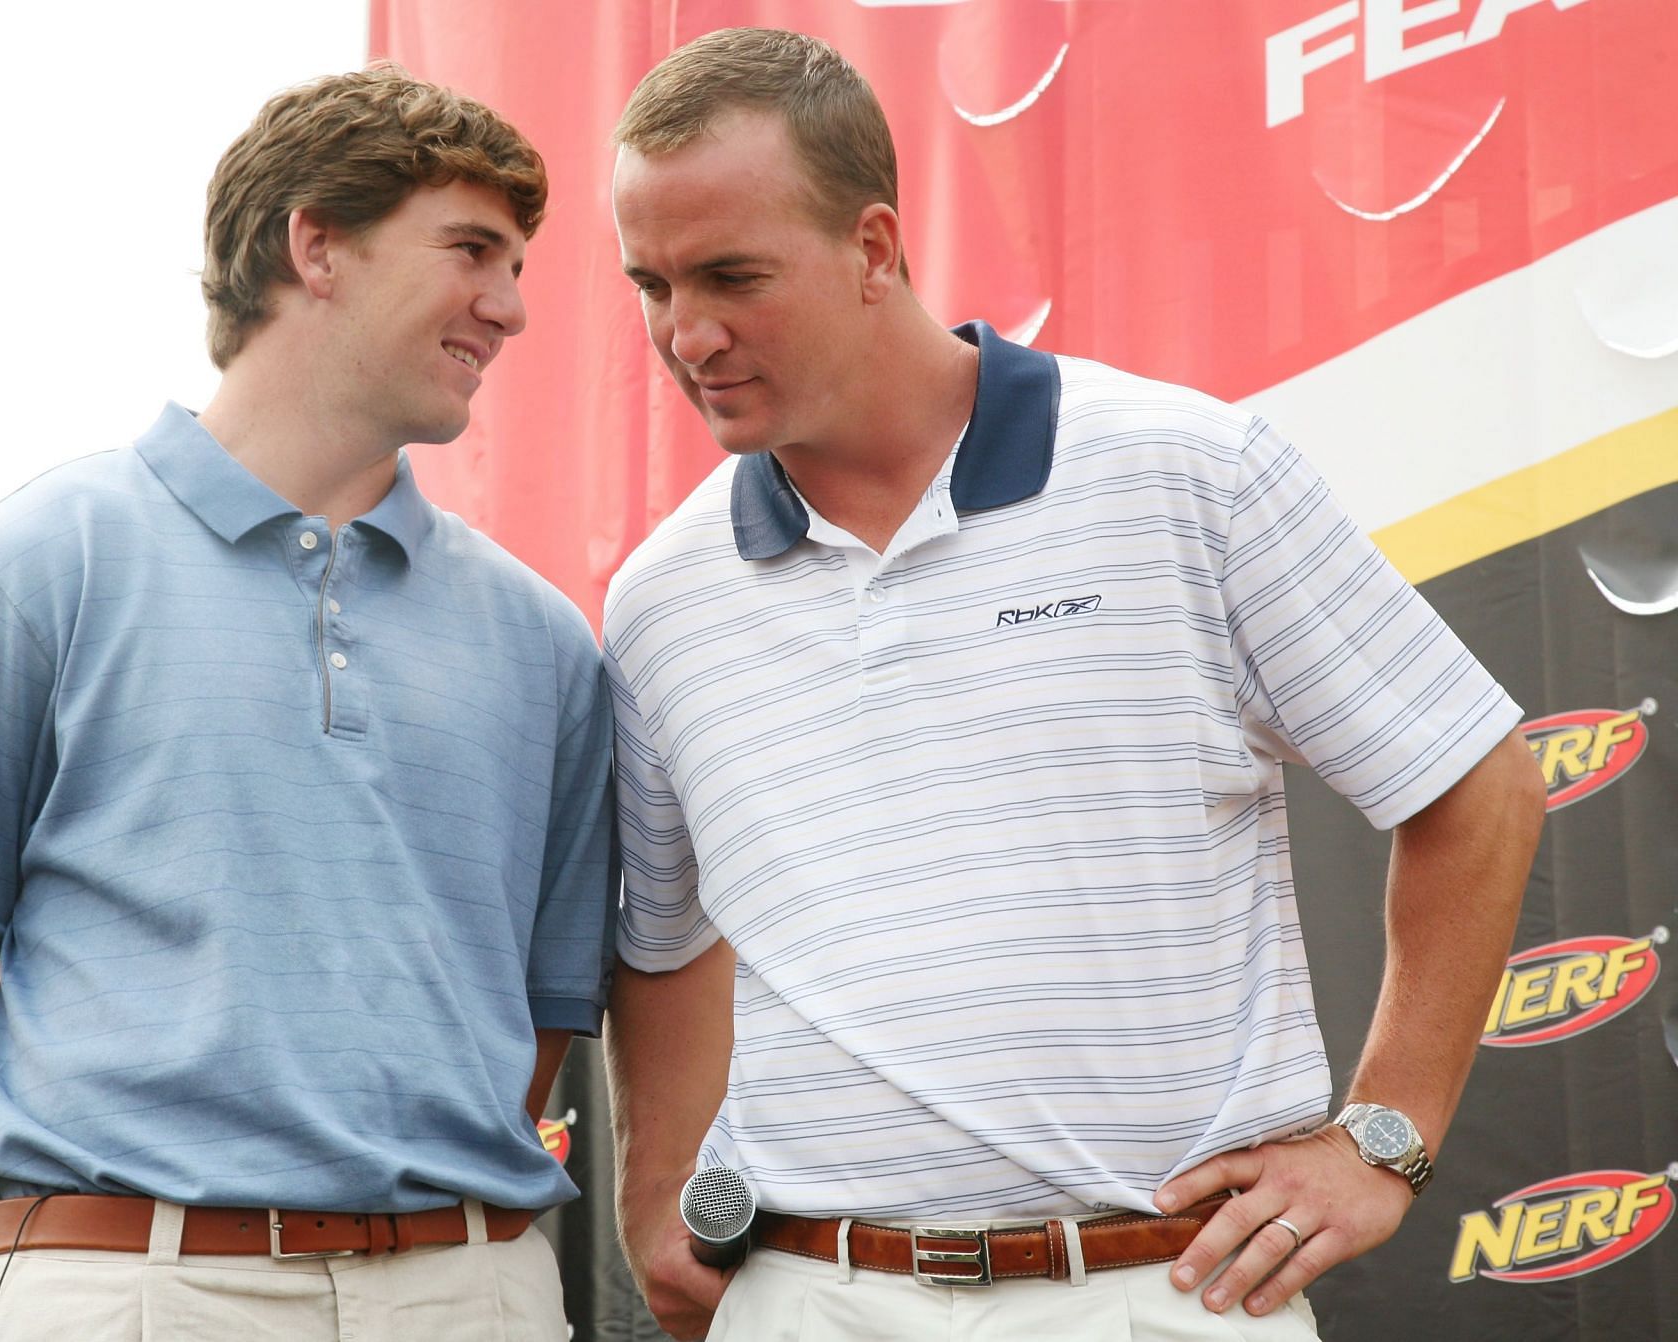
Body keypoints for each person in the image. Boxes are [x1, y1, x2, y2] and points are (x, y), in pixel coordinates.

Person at [601, 27, 1544, 1342]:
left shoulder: (1188, 471)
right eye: (650, 282)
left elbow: (1479, 784)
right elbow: (665, 938)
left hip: (1159, 1292)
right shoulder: (659, 599)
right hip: (806, 1295)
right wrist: (654, 1194)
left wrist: (1383, 1137)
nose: (685, 332)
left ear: (876, 248)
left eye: (730, 275)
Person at [0, 67, 616, 1342]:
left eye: (516, 265)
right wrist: (1, 1306)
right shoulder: (29, 569)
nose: (510, 308)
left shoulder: (548, 644)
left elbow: (542, 1021)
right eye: (472, 251)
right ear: (317, 245)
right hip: (127, 1289)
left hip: (473, 1296)